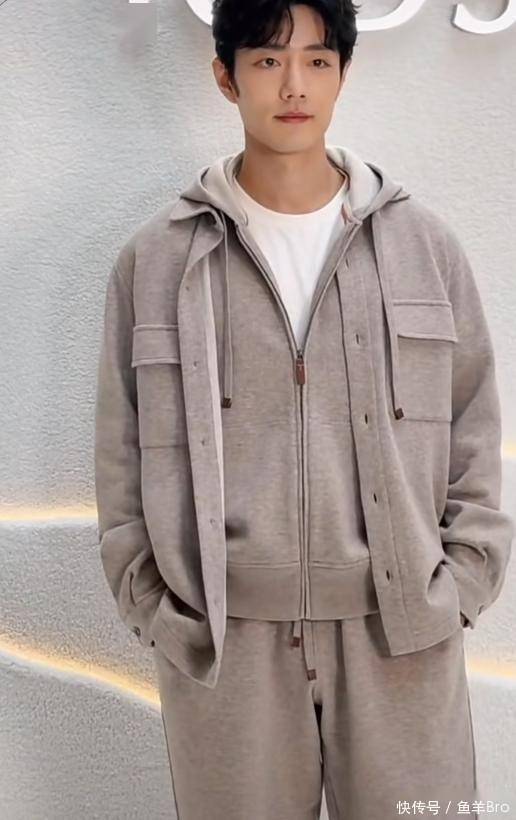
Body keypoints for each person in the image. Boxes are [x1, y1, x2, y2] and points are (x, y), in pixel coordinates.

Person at [94, 2, 514, 818]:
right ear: (226, 77)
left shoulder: (423, 246)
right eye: (267, 60)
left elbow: (474, 425)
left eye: (318, 61)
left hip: (403, 635)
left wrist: (461, 584)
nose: (295, 85)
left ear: (343, 74)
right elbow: (121, 449)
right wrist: (157, 607)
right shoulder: (157, 260)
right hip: (227, 648)